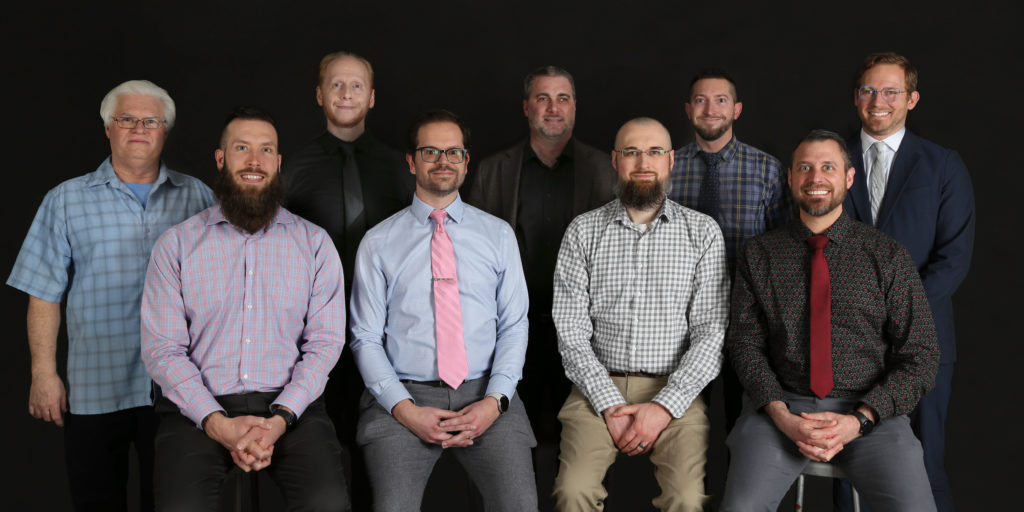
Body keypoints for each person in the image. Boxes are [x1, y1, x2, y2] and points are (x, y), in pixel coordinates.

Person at [7, 80, 214, 511]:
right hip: (95, 387)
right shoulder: (64, 201)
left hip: (180, 389)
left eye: (151, 120)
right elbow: (43, 293)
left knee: (175, 504)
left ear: (165, 131)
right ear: (108, 128)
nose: (139, 128)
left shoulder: (199, 197)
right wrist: (44, 374)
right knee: (96, 503)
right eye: (126, 119)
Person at [720, 130, 939, 512]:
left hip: (871, 414)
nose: (815, 178)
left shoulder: (886, 256)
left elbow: (920, 355)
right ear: (790, 178)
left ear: (848, 178)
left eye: (827, 167)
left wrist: (861, 418)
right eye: (804, 167)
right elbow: (744, 346)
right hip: (780, 410)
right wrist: (781, 415)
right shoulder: (760, 255)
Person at [141, 107, 348, 511]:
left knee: (326, 502)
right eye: (241, 149)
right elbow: (163, 349)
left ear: (278, 162)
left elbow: (325, 342)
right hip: (197, 408)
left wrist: (280, 419)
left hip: (291, 407)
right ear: (220, 159)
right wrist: (218, 423)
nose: (254, 161)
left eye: (265, 150)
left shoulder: (315, 244)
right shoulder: (176, 245)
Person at [350, 109, 538, 512]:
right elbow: (365, 337)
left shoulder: (498, 235)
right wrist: (405, 409)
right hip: (404, 393)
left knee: (520, 506)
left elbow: (514, 325)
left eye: (454, 152)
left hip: (486, 389)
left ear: (467, 162)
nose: (443, 162)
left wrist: (495, 401)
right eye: (431, 151)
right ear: (411, 160)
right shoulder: (378, 242)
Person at [551, 117, 729, 512]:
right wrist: (608, 404)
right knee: (573, 491)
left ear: (671, 162)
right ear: (616, 161)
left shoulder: (702, 233)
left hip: (676, 389)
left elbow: (710, 332)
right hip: (595, 386)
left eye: (654, 152)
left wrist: (665, 406)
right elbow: (571, 333)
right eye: (631, 152)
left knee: (686, 498)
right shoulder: (583, 232)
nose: (642, 161)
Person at [463, 66, 616, 503]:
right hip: (512, 331)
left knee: (577, 453)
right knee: (509, 448)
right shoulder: (494, 171)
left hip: (584, 334)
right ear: (527, 106)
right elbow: (470, 258)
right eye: (543, 98)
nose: (553, 108)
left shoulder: (604, 170)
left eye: (563, 98)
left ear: (574, 107)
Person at [839, 52, 974, 512]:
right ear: (856, 97)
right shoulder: (828, 160)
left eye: (891, 91)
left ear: (911, 99)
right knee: (845, 471)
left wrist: (895, 313)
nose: (878, 100)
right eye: (868, 90)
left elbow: (953, 259)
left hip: (923, 342)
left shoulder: (942, 165)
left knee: (925, 464)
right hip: (845, 343)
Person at [283, 51, 414, 508]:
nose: (345, 94)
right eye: (336, 85)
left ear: (372, 97)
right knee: (321, 443)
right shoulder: (292, 168)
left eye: (356, 86)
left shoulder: (401, 168)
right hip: (314, 329)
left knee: (378, 442)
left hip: (386, 330)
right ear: (319, 95)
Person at [668, 68, 791, 434]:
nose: (710, 109)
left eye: (720, 100)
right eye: (701, 100)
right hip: (682, 321)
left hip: (748, 321)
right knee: (685, 428)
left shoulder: (767, 170)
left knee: (746, 427)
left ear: (736, 109)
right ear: (688, 109)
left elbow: (783, 252)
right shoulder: (667, 168)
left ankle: (739, 493)